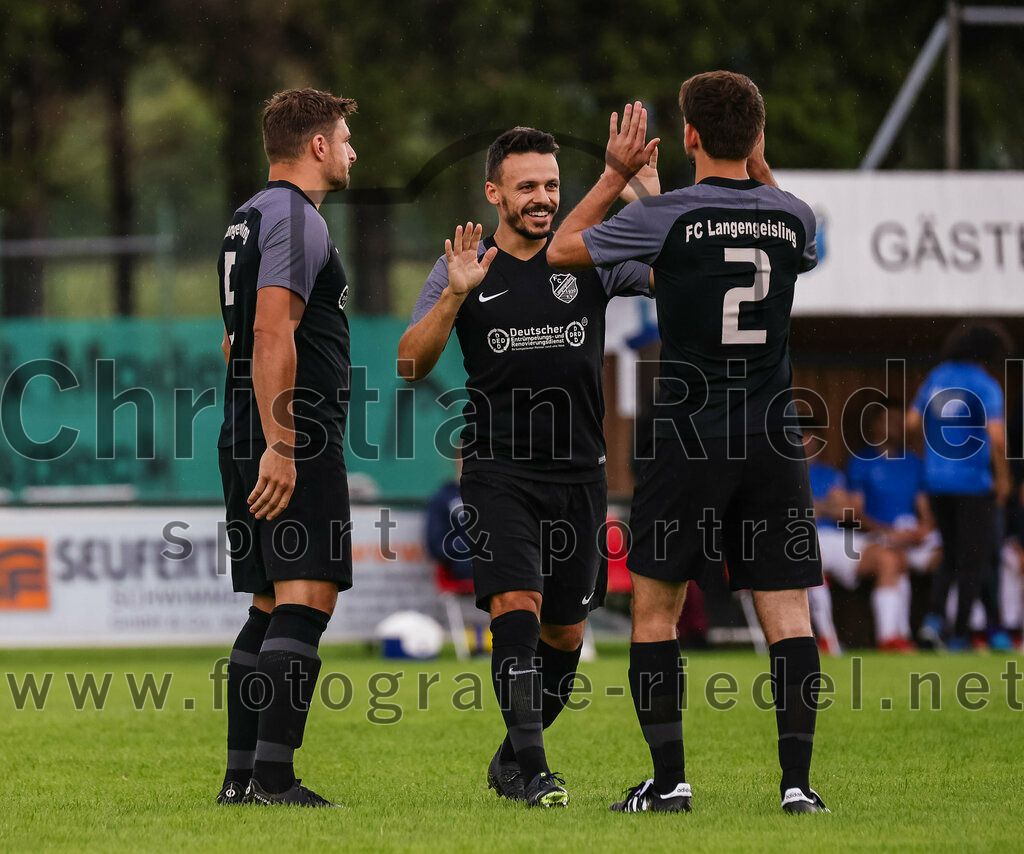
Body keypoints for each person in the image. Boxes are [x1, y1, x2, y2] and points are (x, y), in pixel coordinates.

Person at [549, 71, 828, 814]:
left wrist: (621, 176)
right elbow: (759, 220)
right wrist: (740, 170)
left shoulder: (669, 216)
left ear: (692, 136)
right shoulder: (794, 218)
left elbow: (564, 251)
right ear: (758, 138)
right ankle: (798, 787)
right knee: (789, 616)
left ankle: (670, 781)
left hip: (689, 439)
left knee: (655, 612)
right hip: (773, 438)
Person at [398, 127, 654, 807]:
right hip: (497, 472)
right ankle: (537, 774)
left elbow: (672, 274)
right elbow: (408, 361)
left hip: (581, 475)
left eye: (550, 185)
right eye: (526, 188)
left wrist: (649, 198)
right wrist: (453, 296)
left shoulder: (587, 254)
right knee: (515, 605)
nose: (542, 199)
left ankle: (513, 756)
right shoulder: (464, 263)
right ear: (493, 194)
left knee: (565, 632)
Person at [215, 88, 357, 807]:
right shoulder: (298, 221)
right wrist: (282, 441)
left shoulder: (246, 219)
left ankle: (242, 779)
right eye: (346, 137)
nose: (354, 151)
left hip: (243, 422)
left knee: (270, 603)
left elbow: (232, 339)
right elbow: (270, 334)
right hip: (289, 429)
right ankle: (274, 779)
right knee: (307, 599)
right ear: (319, 147)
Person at [907, 322, 1013, 651]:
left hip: (938, 482)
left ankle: (934, 621)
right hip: (973, 484)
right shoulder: (985, 384)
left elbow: (912, 423)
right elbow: (996, 438)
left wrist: (931, 456)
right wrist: (1005, 479)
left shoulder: (937, 377)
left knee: (950, 554)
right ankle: (960, 634)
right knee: (973, 559)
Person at [805, 425, 914, 651]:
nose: (808, 442)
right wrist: (826, 505)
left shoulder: (828, 473)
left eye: (813, 437)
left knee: (889, 558)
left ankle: (888, 638)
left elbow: (846, 510)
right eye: (802, 437)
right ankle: (826, 640)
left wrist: (817, 506)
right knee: (809, 561)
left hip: (835, 536)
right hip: (801, 539)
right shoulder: (782, 474)